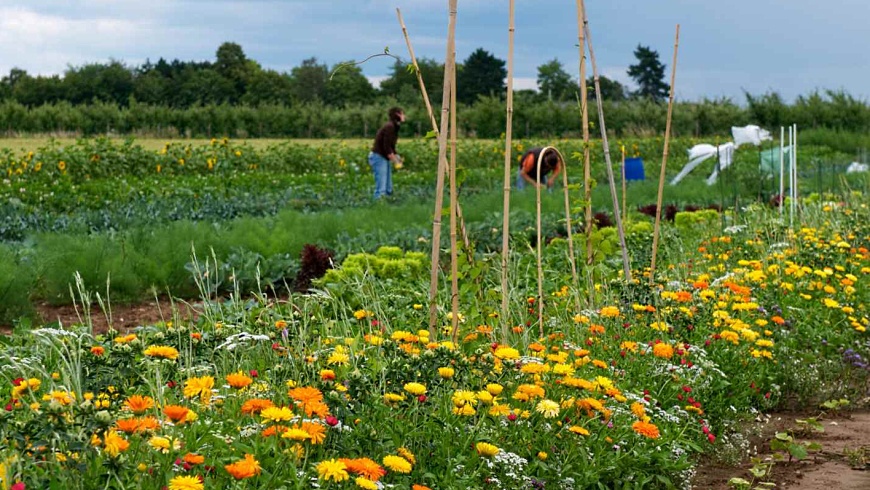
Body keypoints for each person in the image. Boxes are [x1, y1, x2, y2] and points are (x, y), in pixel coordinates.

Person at [368, 107, 406, 199]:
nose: (404, 116)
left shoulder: (394, 126)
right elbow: (386, 147)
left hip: (383, 157)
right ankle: (378, 207)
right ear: (397, 115)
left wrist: (397, 156)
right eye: (402, 113)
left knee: (388, 187)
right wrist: (395, 161)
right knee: (381, 188)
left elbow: (391, 146)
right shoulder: (390, 127)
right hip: (378, 157)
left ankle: (387, 205)